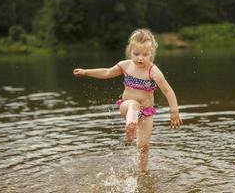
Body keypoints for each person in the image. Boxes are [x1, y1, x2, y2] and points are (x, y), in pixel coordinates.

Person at [73, 28, 182, 173]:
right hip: (127, 106)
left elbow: (168, 90)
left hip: (147, 112)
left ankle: (141, 172)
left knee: (144, 146)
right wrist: (86, 72)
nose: (140, 58)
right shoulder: (125, 66)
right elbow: (106, 72)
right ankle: (130, 124)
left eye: (145, 54)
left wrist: (174, 111)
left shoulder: (153, 71)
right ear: (130, 52)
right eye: (136, 54)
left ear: (152, 54)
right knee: (134, 104)